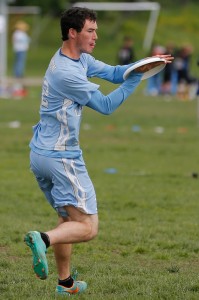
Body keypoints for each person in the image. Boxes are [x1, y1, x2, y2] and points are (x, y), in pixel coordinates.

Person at [24, 7, 173, 297]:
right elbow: (105, 105)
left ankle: (65, 284)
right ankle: (42, 239)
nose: (96, 35)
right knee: (88, 227)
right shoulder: (66, 73)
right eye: (90, 30)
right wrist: (135, 82)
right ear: (73, 32)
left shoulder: (78, 59)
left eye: (95, 30)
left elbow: (116, 73)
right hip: (61, 158)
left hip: (41, 154)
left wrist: (146, 64)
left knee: (68, 219)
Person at [12, 20, 31, 97]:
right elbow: (27, 40)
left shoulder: (16, 34)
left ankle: (18, 73)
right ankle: (19, 74)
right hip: (21, 50)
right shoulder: (20, 34)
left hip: (19, 50)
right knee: (20, 63)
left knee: (18, 62)